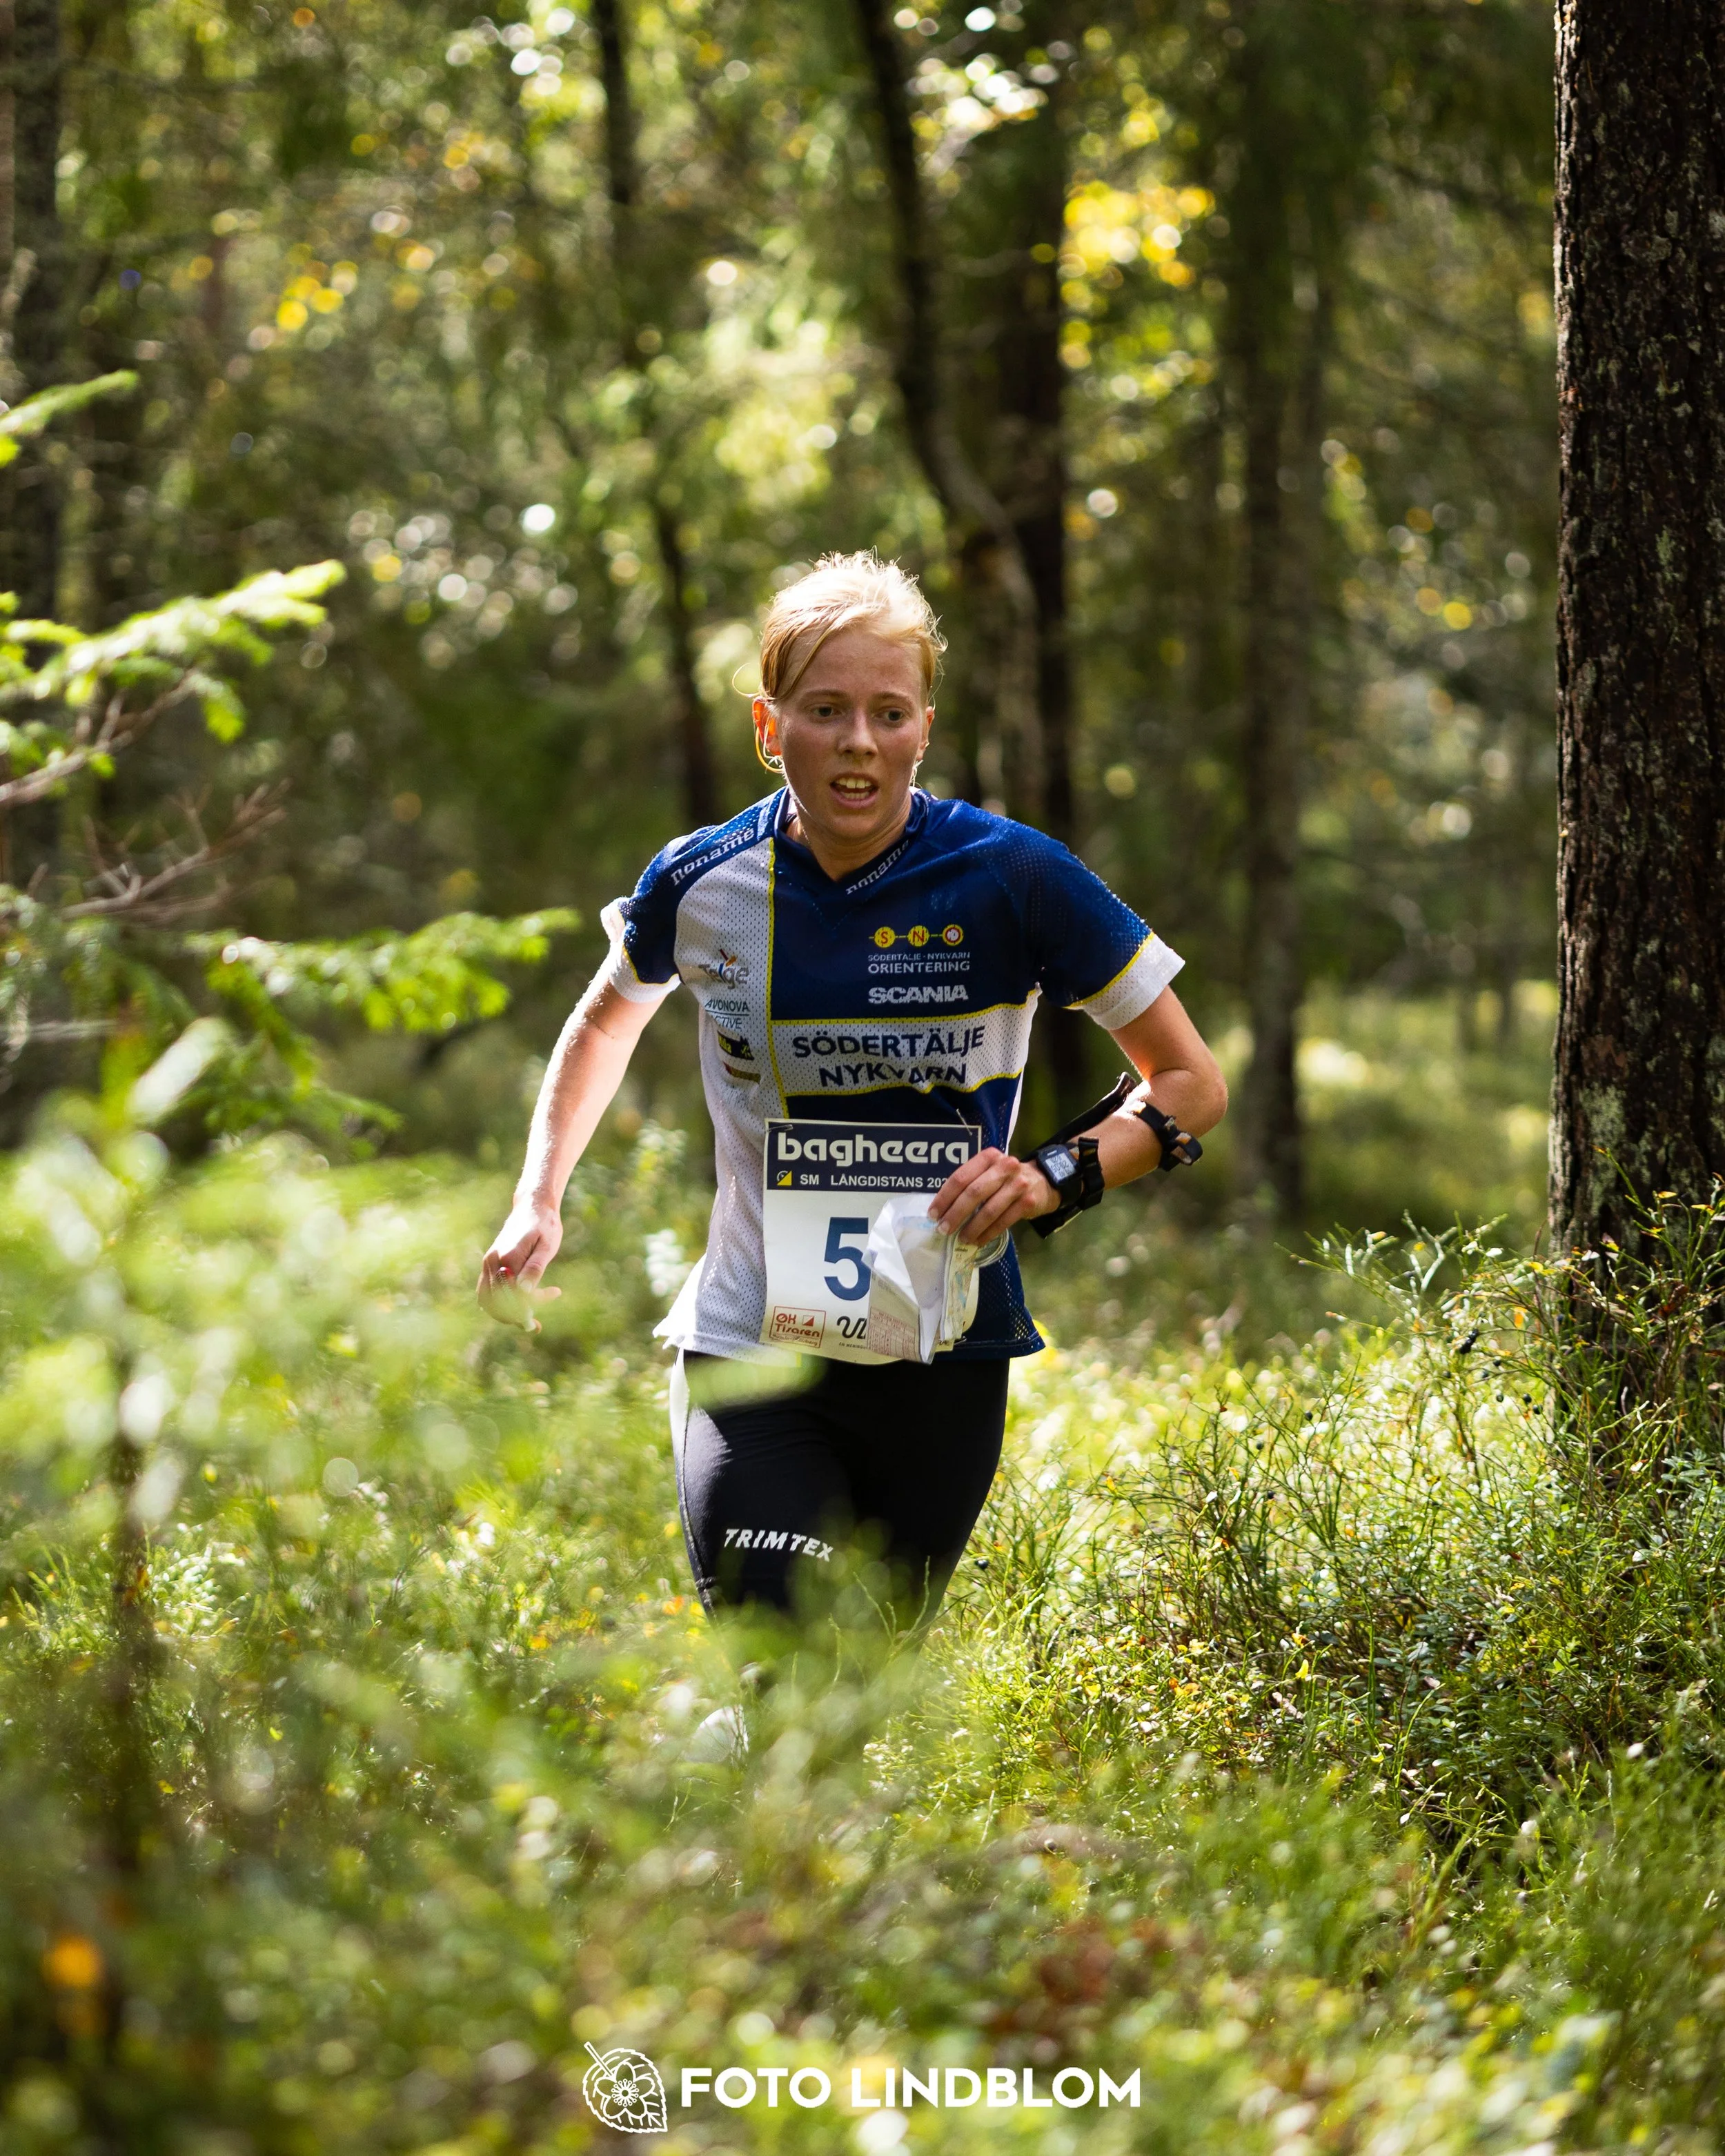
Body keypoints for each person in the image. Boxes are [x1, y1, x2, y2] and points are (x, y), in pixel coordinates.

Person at [480, 552, 1227, 1627]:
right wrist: (538, 1197)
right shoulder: (700, 879)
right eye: (825, 710)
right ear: (769, 726)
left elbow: (1191, 1084)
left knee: (868, 1686)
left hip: (942, 1350)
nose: (859, 742)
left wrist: (1052, 1178)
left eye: (889, 712)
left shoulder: (1014, 876)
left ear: (925, 724)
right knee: (777, 1646)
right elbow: (606, 1018)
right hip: (750, 1339)